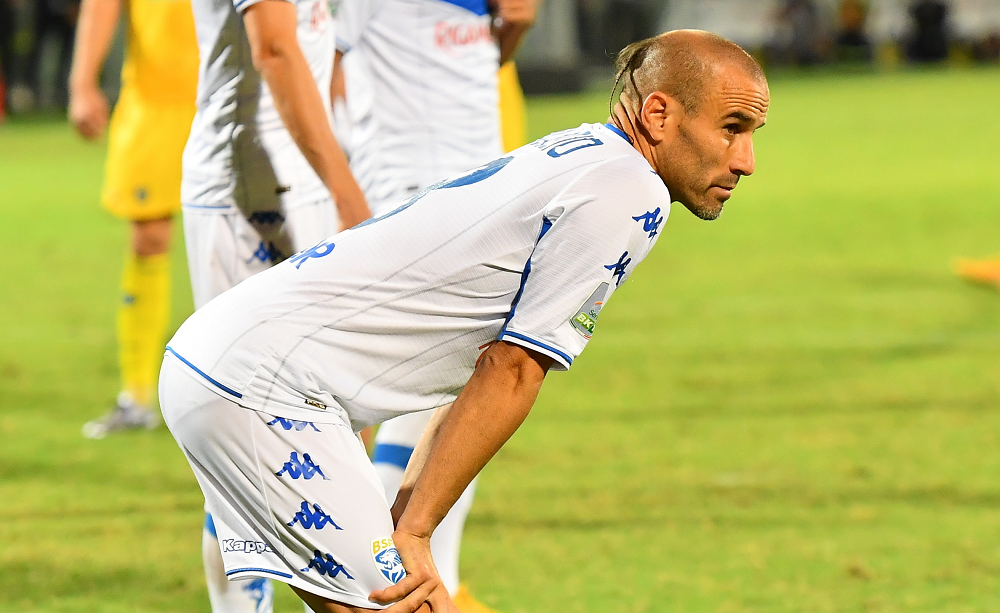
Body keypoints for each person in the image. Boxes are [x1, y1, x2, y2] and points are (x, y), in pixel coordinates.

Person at [159, 29, 769, 613]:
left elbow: (487, 364)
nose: (746, 160)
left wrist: (409, 515)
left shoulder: (589, 158)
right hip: (262, 389)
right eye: (731, 129)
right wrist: (416, 532)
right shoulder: (630, 191)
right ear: (660, 116)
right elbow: (514, 370)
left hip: (230, 367)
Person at [333, 1, 535, 609]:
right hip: (409, 191)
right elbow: (321, 60)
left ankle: (418, 582)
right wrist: (348, 179)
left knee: (450, 388)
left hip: (477, 185)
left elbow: (513, 25)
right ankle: (397, 582)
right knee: (446, 384)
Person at [180, 0, 370, 609]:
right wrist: (347, 191)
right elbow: (275, 48)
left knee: (340, 420)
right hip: (251, 195)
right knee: (249, 436)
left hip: (299, 183)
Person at [68, 0, 198, 438]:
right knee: (148, 239)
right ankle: (136, 396)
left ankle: (244, 393)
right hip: (154, 102)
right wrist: (82, 81)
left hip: (231, 97)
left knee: (249, 238)